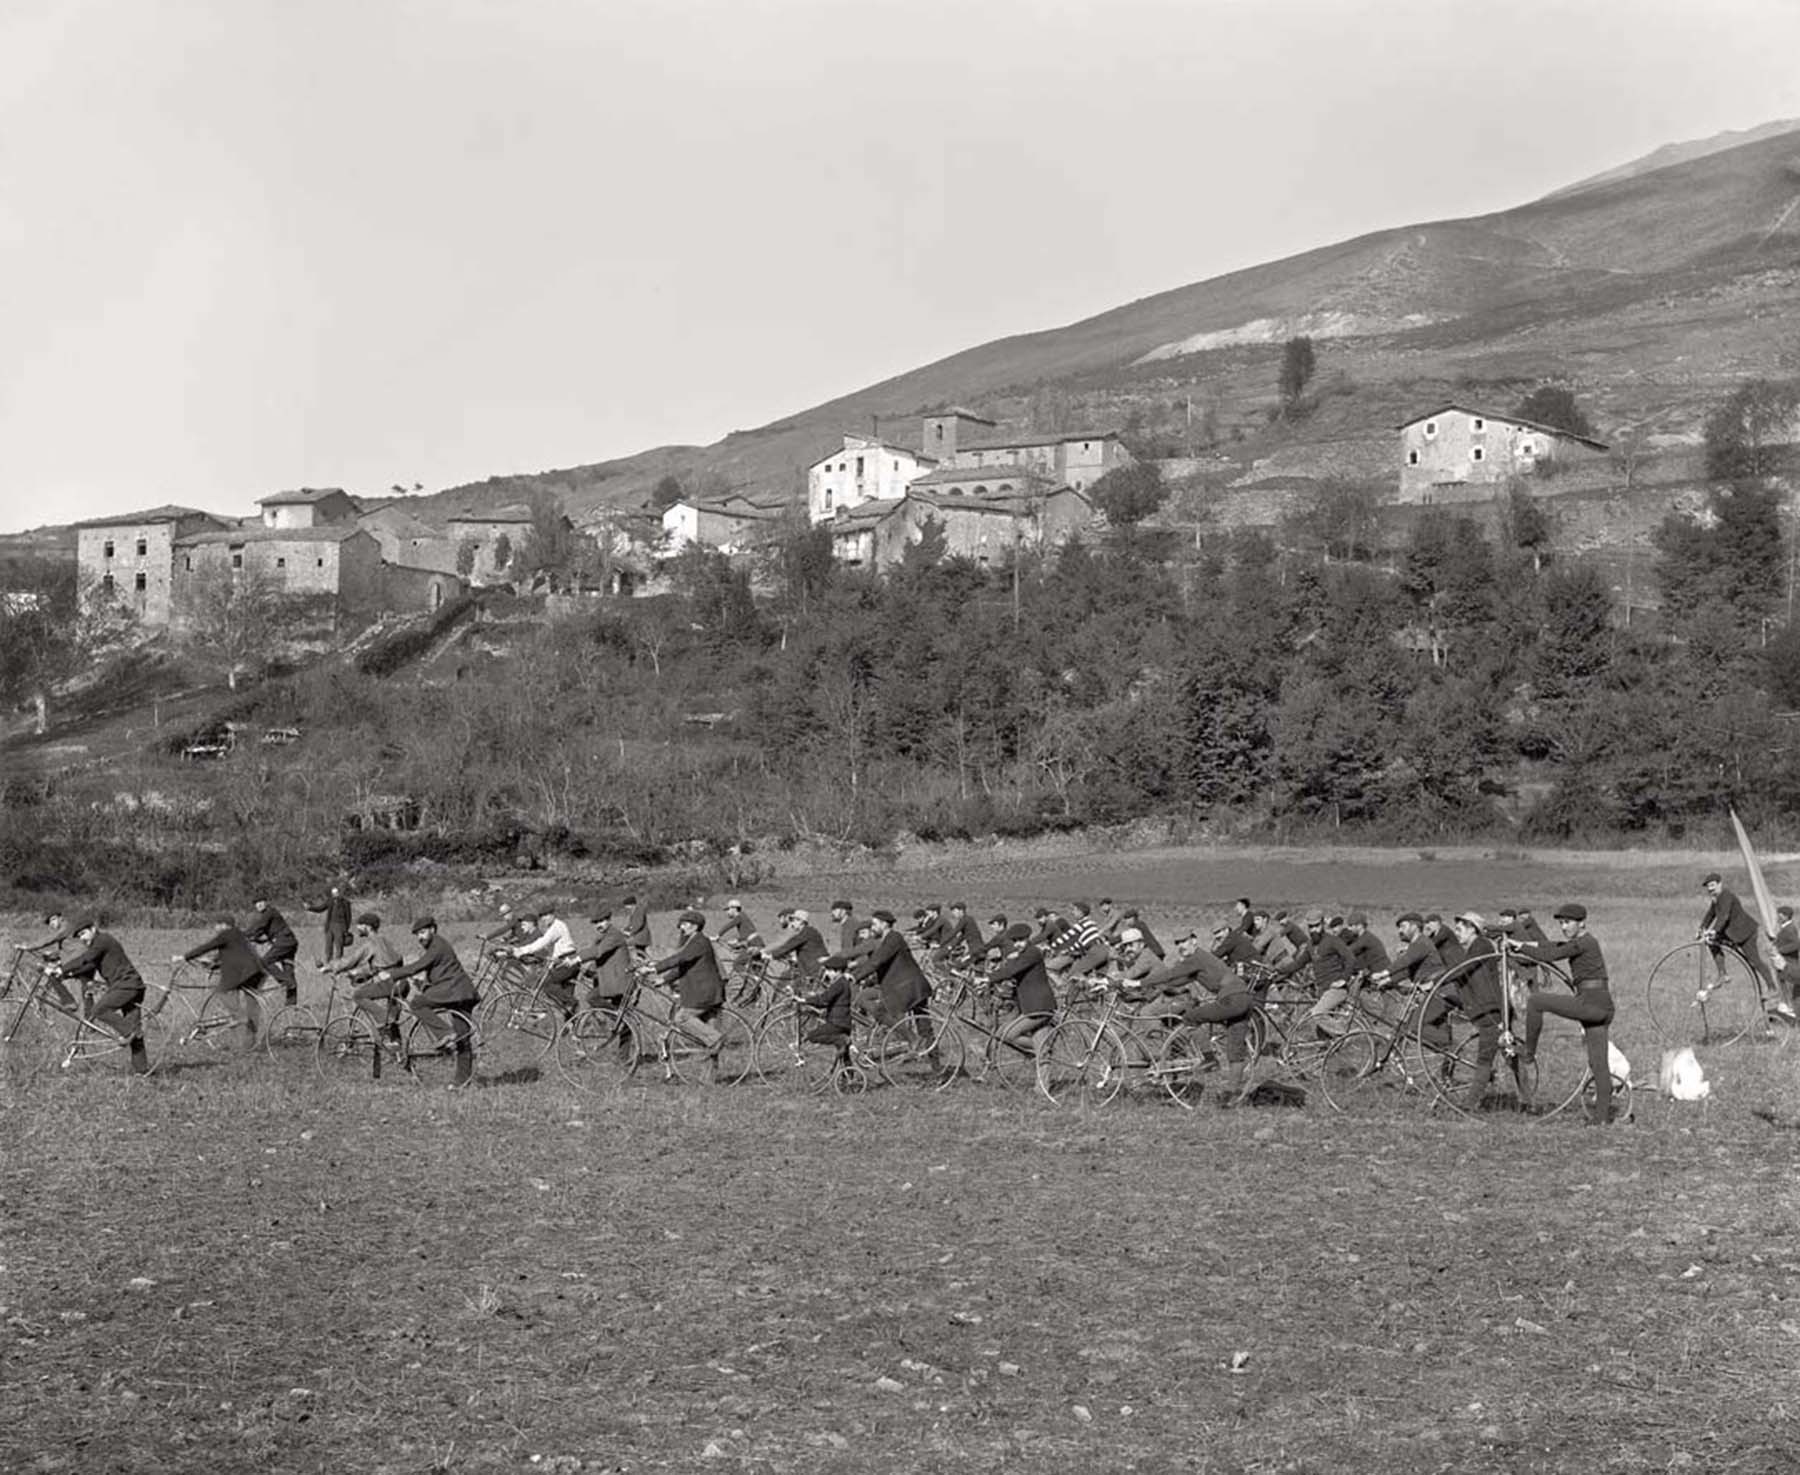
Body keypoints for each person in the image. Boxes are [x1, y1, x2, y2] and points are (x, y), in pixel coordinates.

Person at [1511, 902, 1617, 1126]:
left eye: (1567, 923)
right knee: (1598, 1064)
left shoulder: (1583, 943)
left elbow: (1550, 953)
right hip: (1602, 1006)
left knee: (1536, 1001)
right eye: (1561, 923)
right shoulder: (1583, 942)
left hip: (1591, 1003)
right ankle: (1601, 1119)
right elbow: (1551, 944)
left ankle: (1528, 1052)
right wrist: (1520, 944)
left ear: (1582, 923)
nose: (1564, 927)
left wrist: (1521, 948)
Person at [378, 917, 480, 1088]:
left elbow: (418, 965)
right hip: (461, 992)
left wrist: (391, 974)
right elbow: (434, 970)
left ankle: (445, 1033)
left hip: (454, 991)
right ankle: (462, 1081)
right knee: (462, 1039)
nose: (420, 937)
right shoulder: (436, 946)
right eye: (417, 934)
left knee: (417, 1004)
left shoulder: (438, 945)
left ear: (433, 929)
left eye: (423, 932)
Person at [48, 918, 150, 1073]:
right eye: (79, 936)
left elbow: (85, 958)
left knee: (99, 1010)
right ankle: (142, 1071)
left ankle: (130, 1031)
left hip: (126, 985)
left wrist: (62, 969)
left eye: (83, 933)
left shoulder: (102, 940)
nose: (82, 938)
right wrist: (66, 974)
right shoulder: (99, 945)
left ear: (93, 929)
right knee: (135, 1034)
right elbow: (89, 965)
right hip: (131, 985)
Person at [1697, 871, 1787, 1020]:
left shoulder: (1726, 896)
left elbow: (1723, 916)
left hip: (1745, 932)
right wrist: (1701, 929)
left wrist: (1713, 931)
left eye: (1712, 886)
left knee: (1754, 961)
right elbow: (1711, 914)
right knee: (1712, 943)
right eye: (1708, 887)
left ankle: (1772, 988)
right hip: (1732, 932)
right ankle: (1723, 974)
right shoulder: (1716, 898)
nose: (1710, 889)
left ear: (1720, 884)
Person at [644, 910, 727, 1067]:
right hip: (707, 992)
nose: (682, 928)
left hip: (704, 993)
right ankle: (708, 1081)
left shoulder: (699, 941)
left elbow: (679, 959)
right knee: (706, 1043)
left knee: (682, 1018)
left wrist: (654, 968)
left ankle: (717, 1039)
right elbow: (684, 966)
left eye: (685, 924)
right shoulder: (694, 941)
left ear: (695, 926)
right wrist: (664, 979)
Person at [1439, 912, 1504, 1110]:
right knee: (1508, 1053)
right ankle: (1526, 1101)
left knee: (1485, 1059)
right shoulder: (1474, 949)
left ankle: (1469, 1105)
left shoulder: (1482, 946)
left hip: (1491, 1010)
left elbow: (1464, 969)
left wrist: (1437, 982)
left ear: (1472, 929)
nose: (1457, 934)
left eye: (1460, 930)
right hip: (1484, 1010)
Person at [179, 913, 271, 1047]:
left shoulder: (226, 934)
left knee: (222, 992)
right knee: (252, 1007)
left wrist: (185, 956)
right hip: (257, 972)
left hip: (242, 972)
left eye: (217, 925)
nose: (215, 928)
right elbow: (230, 952)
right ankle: (249, 1044)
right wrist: (212, 962)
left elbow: (208, 946)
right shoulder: (239, 934)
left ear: (224, 925)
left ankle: (238, 1016)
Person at [319, 912, 407, 1048]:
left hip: (389, 983)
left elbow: (350, 961)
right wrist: (364, 973)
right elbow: (392, 962)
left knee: (358, 996)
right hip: (402, 983)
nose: (357, 927)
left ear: (368, 927)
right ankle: (396, 1045)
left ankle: (385, 1023)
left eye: (360, 925)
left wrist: (329, 967)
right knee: (392, 1017)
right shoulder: (385, 940)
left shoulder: (370, 943)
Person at [850, 910, 934, 1041]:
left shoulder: (894, 938)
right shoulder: (887, 940)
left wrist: (855, 977)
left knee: (880, 1012)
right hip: (908, 986)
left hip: (907, 987)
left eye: (874, 924)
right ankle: (931, 1057)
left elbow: (877, 961)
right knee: (924, 1026)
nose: (872, 928)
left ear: (884, 924)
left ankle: (913, 1040)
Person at [984, 922, 1058, 1049]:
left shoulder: (1032, 953)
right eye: (1015, 941)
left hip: (1039, 1008)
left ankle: (1043, 1051)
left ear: (1028, 938)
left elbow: (1011, 971)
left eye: (1021, 940)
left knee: (1010, 1035)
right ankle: (1043, 1056)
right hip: (1032, 1006)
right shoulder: (1023, 954)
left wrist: (987, 978)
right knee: (1037, 1040)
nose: (1017, 944)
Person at [512, 904, 582, 1020]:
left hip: (567, 961)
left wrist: (522, 951)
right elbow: (550, 947)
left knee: (547, 984)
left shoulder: (556, 927)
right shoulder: (554, 927)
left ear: (552, 915)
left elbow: (543, 942)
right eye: (542, 917)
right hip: (565, 961)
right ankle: (573, 1030)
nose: (544, 919)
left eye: (547, 915)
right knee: (565, 1002)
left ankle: (572, 1003)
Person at [246, 896, 301, 1007]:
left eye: (261, 901)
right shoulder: (267, 915)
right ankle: (291, 1005)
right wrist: (254, 938)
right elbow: (260, 933)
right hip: (289, 942)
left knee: (264, 962)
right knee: (288, 972)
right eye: (256, 903)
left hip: (284, 941)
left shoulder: (269, 912)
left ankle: (286, 982)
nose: (259, 904)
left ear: (266, 902)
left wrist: (242, 934)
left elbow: (258, 927)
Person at [767, 907, 828, 983]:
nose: (792, 923)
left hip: (814, 969)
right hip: (809, 969)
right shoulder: (805, 932)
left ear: (801, 921)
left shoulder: (807, 932)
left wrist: (771, 955)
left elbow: (789, 946)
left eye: (794, 920)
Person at [306, 884, 353, 964]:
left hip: (340, 925)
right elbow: (320, 908)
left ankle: (338, 963)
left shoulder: (345, 902)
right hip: (330, 925)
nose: (335, 894)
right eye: (333, 893)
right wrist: (310, 908)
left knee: (339, 945)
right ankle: (328, 963)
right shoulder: (330, 901)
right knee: (328, 946)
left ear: (339, 893)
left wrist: (346, 929)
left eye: (336, 892)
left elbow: (348, 917)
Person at [1774, 904, 1800, 1010]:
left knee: (1790, 987)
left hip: (1789, 964)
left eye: (1780, 915)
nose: (1778, 917)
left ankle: (1792, 1009)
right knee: (1783, 984)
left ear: (1786, 916)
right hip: (1783, 963)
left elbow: (1796, 944)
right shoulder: (1785, 928)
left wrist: (1780, 950)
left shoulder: (1790, 929)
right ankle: (1788, 1007)